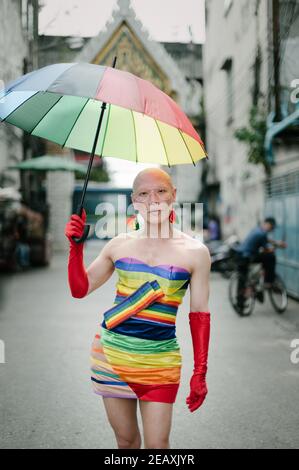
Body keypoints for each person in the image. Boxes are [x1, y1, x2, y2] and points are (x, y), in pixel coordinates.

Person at [65, 168, 211, 450]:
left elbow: (200, 313)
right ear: (134, 201)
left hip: (160, 363)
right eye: (143, 194)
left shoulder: (195, 252)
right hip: (112, 358)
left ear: (174, 196)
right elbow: (80, 289)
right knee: (126, 442)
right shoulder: (119, 244)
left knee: (158, 445)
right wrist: (75, 250)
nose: (152, 200)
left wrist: (200, 372)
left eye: (160, 191)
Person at [234, 217, 287, 309]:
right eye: (272, 228)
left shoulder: (256, 230)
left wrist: (276, 243)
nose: (272, 230)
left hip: (240, 255)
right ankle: (268, 281)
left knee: (242, 279)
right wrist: (274, 248)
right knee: (270, 257)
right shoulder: (262, 234)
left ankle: (240, 303)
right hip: (248, 257)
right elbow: (267, 248)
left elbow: (267, 240)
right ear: (268, 224)